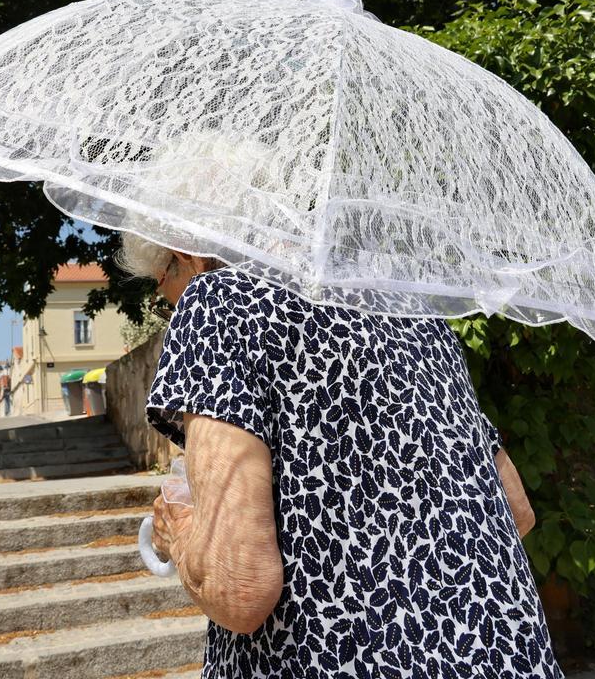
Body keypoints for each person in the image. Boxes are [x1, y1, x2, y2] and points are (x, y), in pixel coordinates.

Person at [117, 232, 565, 678]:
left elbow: (240, 587)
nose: (171, 307)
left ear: (186, 255)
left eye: (162, 290)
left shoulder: (218, 301)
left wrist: (179, 531)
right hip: (500, 656)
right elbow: (515, 510)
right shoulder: (408, 303)